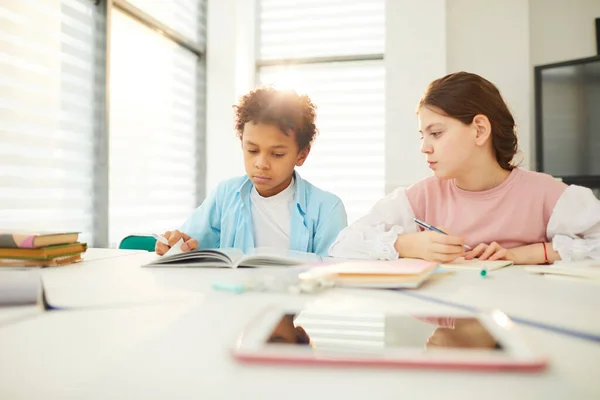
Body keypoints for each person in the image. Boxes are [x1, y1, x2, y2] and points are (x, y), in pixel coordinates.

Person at [329, 72, 600, 264]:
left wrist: (532, 253)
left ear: (480, 130)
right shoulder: (419, 198)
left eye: (435, 133)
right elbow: (343, 245)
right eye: (422, 136)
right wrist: (408, 245)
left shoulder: (546, 195)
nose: (424, 147)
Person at [156, 87, 347, 257]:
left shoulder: (327, 210)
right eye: (252, 150)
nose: (261, 163)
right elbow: (190, 245)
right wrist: (174, 244)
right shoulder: (225, 195)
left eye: (277, 154)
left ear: (301, 154)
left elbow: (332, 276)